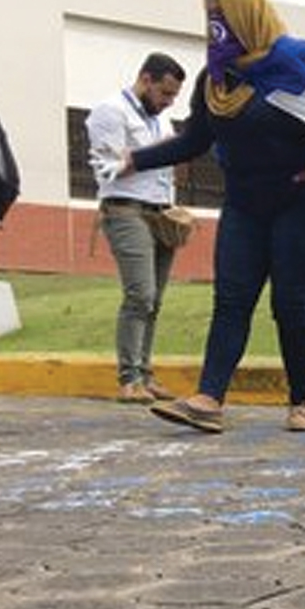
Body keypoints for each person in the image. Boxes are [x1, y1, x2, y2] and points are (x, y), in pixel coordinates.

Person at [114, 0, 305, 435]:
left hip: (298, 203)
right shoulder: (216, 79)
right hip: (245, 205)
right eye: (210, 16)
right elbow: (195, 139)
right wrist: (136, 160)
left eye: (222, 14)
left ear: (246, 13)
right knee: (230, 301)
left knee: (289, 304)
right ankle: (209, 399)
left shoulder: (298, 62)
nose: (215, 26)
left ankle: (301, 400)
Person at [88, 53, 188, 403]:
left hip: (161, 212)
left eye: (173, 96)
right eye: (164, 93)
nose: (168, 102)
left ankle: (144, 373)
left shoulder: (161, 119)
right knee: (140, 294)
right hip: (125, 209)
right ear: (145, 80)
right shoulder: (109, 111)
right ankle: (129, 377)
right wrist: (163, 150)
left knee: (155, 299)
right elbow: (109, 167)